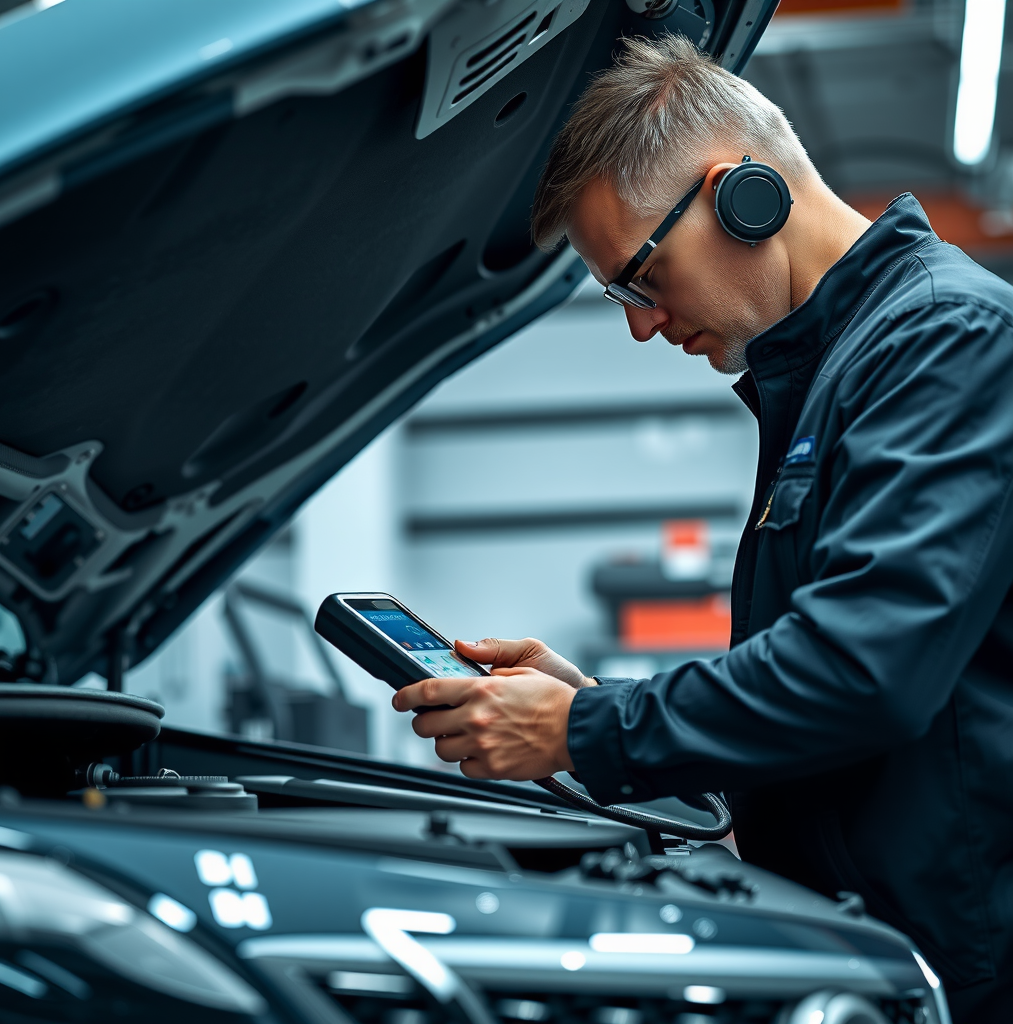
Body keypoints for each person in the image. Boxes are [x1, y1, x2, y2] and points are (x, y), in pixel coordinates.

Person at [391, 34, 1013, 1021]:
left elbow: (864, 671)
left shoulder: (945, 342)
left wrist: (585, 730)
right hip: (871, 950)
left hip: (961, 972)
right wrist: (592, 700)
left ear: (742, 195)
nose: (640, 322)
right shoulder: (825, 376)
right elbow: (810, 686)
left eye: (641, 275)